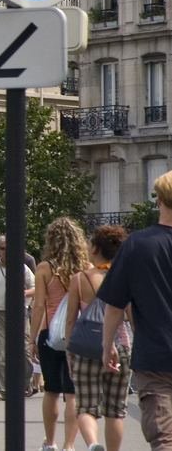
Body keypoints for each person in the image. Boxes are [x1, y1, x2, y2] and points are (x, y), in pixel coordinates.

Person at [99, 170, 172, 451]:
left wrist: (108, 345)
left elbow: (115, 304)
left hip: (154, 357)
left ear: (158, 201)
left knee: (163, 437)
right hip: (154, 357)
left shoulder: (138, 244)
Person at [66, 224, 131, 451]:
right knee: (116, 410)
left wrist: (69, 351)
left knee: (85, 407)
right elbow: (131, 315)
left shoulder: (80, 279)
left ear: (94, 248)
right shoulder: (124, 277)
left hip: (86, 348)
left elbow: (70, 319)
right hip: (120, 346)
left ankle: (93, 443)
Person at [31, 216, 91, 451]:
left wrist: (32, 339)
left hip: (50, 334)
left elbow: (38, 306)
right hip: (77, 334)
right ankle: (69, 445)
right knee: (72, 393)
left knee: (52, 390)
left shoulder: (45, 268)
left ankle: (50, 443)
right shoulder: (85, 269)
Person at [0, 234, 35, 400]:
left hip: (19, 312)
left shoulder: (22, 268)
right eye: (3, 249)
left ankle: (25, 384)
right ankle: (1, 390)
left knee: (24, 351)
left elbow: (36, 288)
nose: (6, 252)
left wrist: (24, 293)